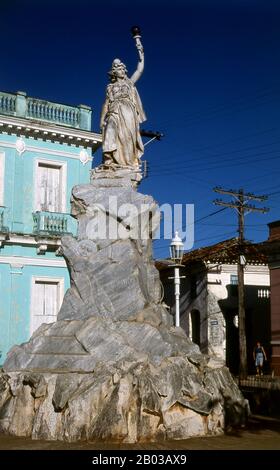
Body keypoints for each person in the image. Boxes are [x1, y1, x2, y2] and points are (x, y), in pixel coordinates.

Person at [100, 38, 146, 168]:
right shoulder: (110, 87)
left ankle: (127, 163)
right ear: (114, 72)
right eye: (118, 69)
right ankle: (109, 159)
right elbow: (106, 103)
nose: (121, 70)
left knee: (127, 138)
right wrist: (101, 120)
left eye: (121, 68)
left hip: (128, 111)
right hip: (113, 111)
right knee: (110, 129)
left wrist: (140, 50)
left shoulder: (129, 83)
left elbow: (140, 69)